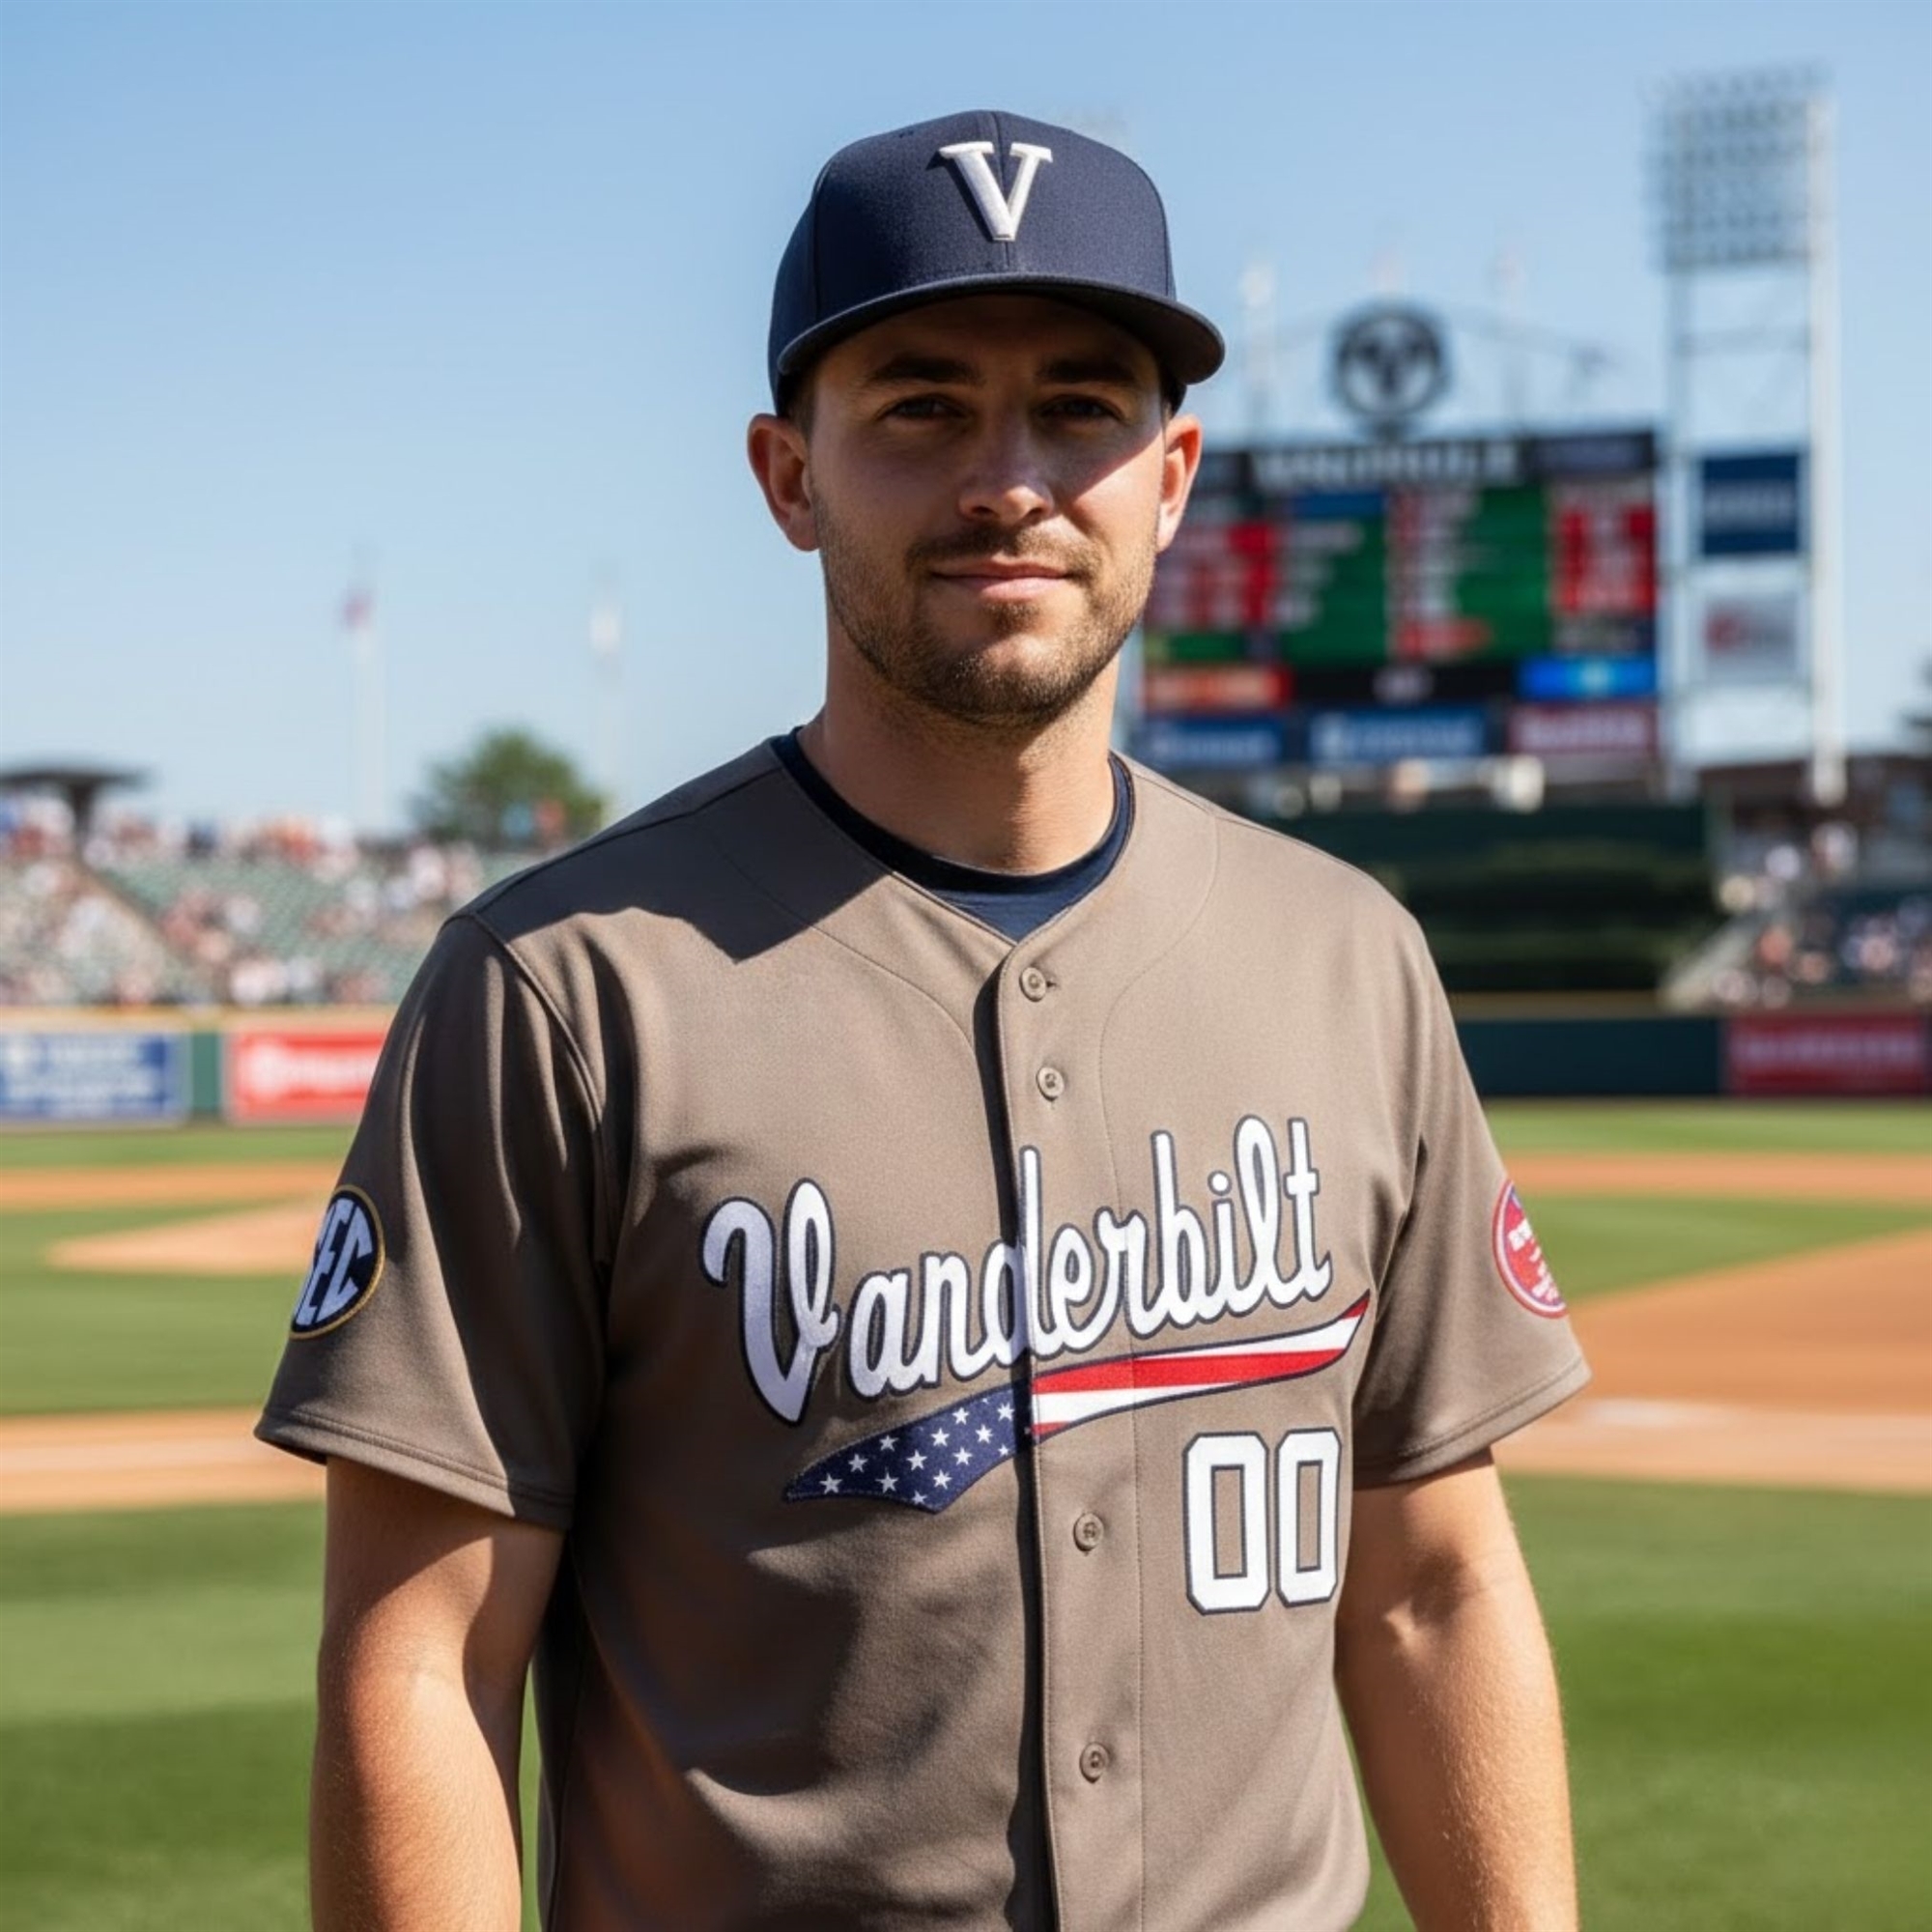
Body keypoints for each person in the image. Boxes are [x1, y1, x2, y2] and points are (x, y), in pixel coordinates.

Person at [261, 108, 1589, 1931]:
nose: (1011, 475)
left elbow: (1435, 1588)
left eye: (1080, 407)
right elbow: (420, 1669)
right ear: (788, 476)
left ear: (1174, 474)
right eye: (920, 407)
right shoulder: (561, 992)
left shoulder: (1347, 956)